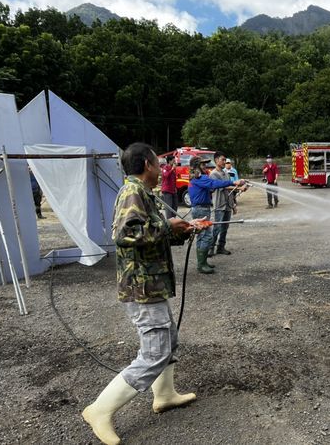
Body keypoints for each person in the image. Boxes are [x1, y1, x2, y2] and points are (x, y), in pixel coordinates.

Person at [82, 142, 205, 445]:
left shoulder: (143, 192)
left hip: (151, 284)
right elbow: (123, 234)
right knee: (153, 352)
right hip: (142, 287)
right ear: (147, 164)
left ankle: (164, 395)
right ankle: (98, 410)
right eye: (157, 162)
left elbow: (148, 234)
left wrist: (181, 231)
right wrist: (167, 227)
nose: (161, 167)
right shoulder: (132, 192)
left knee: (168, 340)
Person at [189, 156, 245, 273]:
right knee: (206, 236)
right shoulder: (201, 178)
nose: (205, 166)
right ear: (197, 166)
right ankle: (201, 265)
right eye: (202, 164)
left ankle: (203, 262)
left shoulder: (197, 178)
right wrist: (233, 182)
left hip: (201, 208)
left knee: (202, 236)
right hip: (201, 210)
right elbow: (214, 183)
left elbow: (210, 187)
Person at [209, 152, 246, 257]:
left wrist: (233, 204)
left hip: (228, 204)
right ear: (216, 160)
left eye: (225, 160)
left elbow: (231, 189)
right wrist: (238, 187)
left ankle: (221, 247)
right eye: (222, 160)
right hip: (220, 204)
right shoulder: (213, 174)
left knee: (225, 227)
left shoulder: (225, 173)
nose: (224, 162)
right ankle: (211, 248)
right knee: (217, 227)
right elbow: (224, 187)